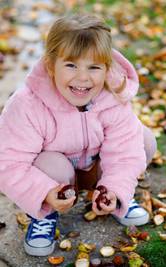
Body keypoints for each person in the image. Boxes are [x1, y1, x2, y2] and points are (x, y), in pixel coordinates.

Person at [0, 15, 157, 256]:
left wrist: (115, 187)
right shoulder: (27, 105)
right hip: (56, 174)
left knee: (142, 139)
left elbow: (124, 151)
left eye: (94, 67)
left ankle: (114, 196)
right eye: (71, 65)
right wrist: (44, 192)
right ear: (51, 65)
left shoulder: (113, 97)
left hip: (98, 164)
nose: (83, 78)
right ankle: (44, 214)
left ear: (106, 68)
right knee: (50, 163)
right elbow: (9, 162)